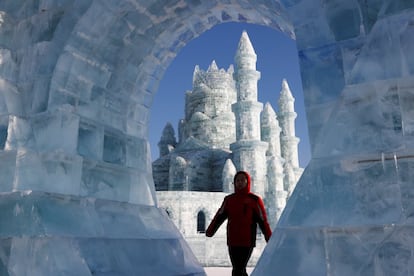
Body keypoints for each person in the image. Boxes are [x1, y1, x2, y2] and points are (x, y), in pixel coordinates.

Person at [205, 171, 272, 276]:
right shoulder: (229, 200)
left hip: (247, 241)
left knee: (239, 269)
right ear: (234, 183)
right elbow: (219, 216)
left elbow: (263, 220)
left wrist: (269, 238)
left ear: (248, 182)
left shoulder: (254, 200)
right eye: (237, 180)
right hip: (233, 240)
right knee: (238, 269)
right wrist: (210, 231)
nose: (240, 182)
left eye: (242, 180)